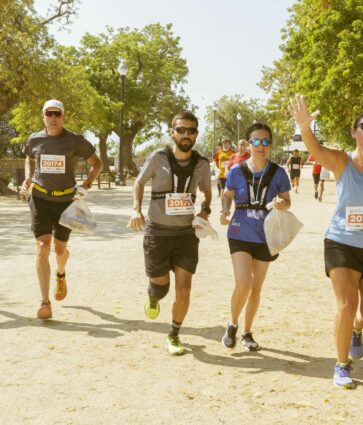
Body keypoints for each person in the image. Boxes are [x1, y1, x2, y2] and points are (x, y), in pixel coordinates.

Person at [289, 95, 363, 389]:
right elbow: (316, 150)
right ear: (355, 132)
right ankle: (342, 364)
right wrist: (305, 128)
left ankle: (357, 330)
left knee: (360, 314)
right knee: (347, 303)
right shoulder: (342, 161)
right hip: (341, 242)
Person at [130, 111, 212, 355]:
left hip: (186, 235)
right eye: (181, 130)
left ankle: (174, 335)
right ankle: (153, 295)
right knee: (161, 287)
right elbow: (138, 182)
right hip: (157, 233)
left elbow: (208, 193)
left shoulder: (202, 164)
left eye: (192, 130)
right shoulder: (157, 158)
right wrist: (136, 210)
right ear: (172, 132)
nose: (186, 135)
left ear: (196, 133)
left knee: (184, 288)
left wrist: (205, 212)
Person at [21, 99, 103, 320]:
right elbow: (29, 157)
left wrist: (86, 185)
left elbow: (98, 163)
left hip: (66, 201)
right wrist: (28, 177)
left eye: (57, 114)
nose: (53, 118)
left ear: (63, 116)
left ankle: (61, 273)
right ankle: (44, 302)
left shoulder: (75, 140)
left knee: (59, 250)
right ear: (43, 116)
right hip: (40, 198)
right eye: (49, 113)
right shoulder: (35, 139)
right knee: (42, 248)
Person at [220, 122, 291, 351]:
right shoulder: (236, 170)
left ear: (271, 144)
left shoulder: (278, 172)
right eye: (257, 141)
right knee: (244, 283)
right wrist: (224, 209)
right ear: (248, 144)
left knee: (257, 288)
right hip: (239, 231)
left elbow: (287, 201)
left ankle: (247, 332)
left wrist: (282, 204)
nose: (262, 146)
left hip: (266, 235)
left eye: (266, 141)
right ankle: (232, 324)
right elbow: (227, 194)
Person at [215, 139, 234, 209]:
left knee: (229, 191)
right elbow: (216, 161)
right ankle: (223, 207)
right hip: (222, 175)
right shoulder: (218, 153)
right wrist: (218, 169)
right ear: (222, 145)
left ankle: (228, 207)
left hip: (230, 175)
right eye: (224, 144)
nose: (226, 145)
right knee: (222, 190)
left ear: (230, 145)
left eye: (227, 144)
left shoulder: (233, 153)